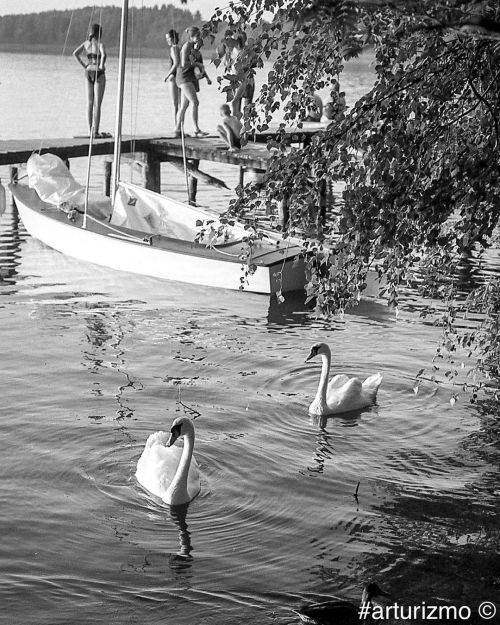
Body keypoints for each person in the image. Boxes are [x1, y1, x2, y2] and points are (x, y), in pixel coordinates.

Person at [175, 26, 211, 138]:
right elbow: (183, 64)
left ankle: (177, 130)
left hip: (189, 78)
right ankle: (196, 129)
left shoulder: (196, 49)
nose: (200, 38)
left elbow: (200, 65)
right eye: (198, 36)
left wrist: (207, 77)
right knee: (195, 102)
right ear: (192, 36)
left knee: (184, 106)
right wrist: (197, 64)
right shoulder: (187, 46)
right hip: (184, 77)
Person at [73, 23, 107, 137]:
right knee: (97, 104)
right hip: (98, 72)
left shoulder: (86, 44)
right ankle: (96, 132)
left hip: (88, 71)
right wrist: (101, 65)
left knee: (89, 103)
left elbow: (75, 54)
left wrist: (84, 65)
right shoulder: (100, 44)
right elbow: (104, 54)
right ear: (98, 33)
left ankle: (89, 130)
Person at [225, 33, 255, 120]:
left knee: (243, 105)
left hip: (246, 80)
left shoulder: (246, 51)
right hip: (237, 80)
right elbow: (228, 65)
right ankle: (239, 128)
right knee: (237, 104)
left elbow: (251, 64)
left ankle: (243, 129)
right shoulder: (231, 52)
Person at [163, 29, 181, 127]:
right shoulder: (179, 48)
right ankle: (179, 126)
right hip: (179, 76)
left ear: (173, 38)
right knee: (179, 104)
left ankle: (176, 127)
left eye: (168, 38)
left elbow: (176, 63)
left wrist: (167, 76)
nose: (167, 40)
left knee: (175, 104)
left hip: (173, 77)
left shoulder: (173, 48)